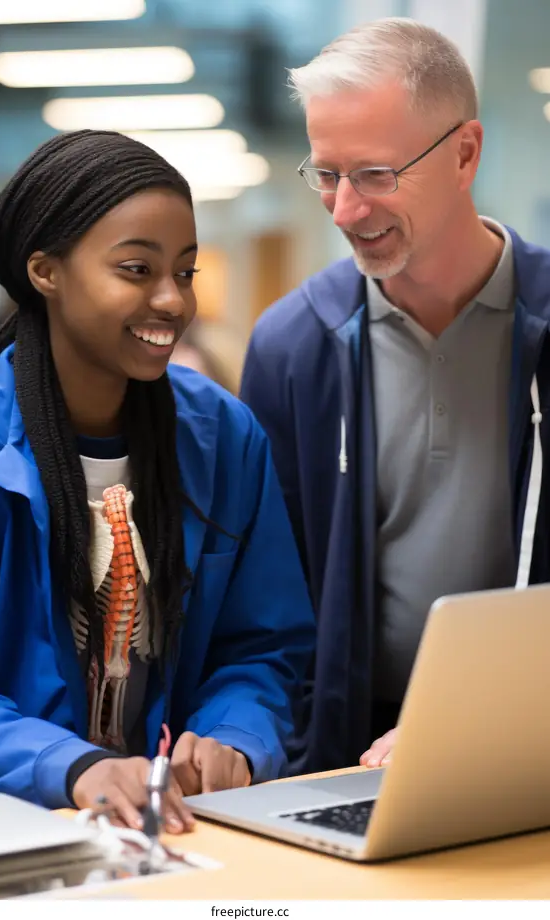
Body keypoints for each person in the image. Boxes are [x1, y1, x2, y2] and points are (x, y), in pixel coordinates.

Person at [0, 130, 315, 830]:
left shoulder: (223, 436)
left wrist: (234, 739)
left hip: (181, 829)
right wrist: (72, 766)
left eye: (184, 272)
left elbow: (263, 646)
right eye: (136, 270)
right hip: (5, 830)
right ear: (45, 272)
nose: (173, 302)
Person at [240, 17, 550, 774]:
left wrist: (473, 719)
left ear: (464, 153)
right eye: (326, 174)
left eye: (376, 174)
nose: (346, 210)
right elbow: (267, 611)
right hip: (348, 754)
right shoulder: (292, 348)